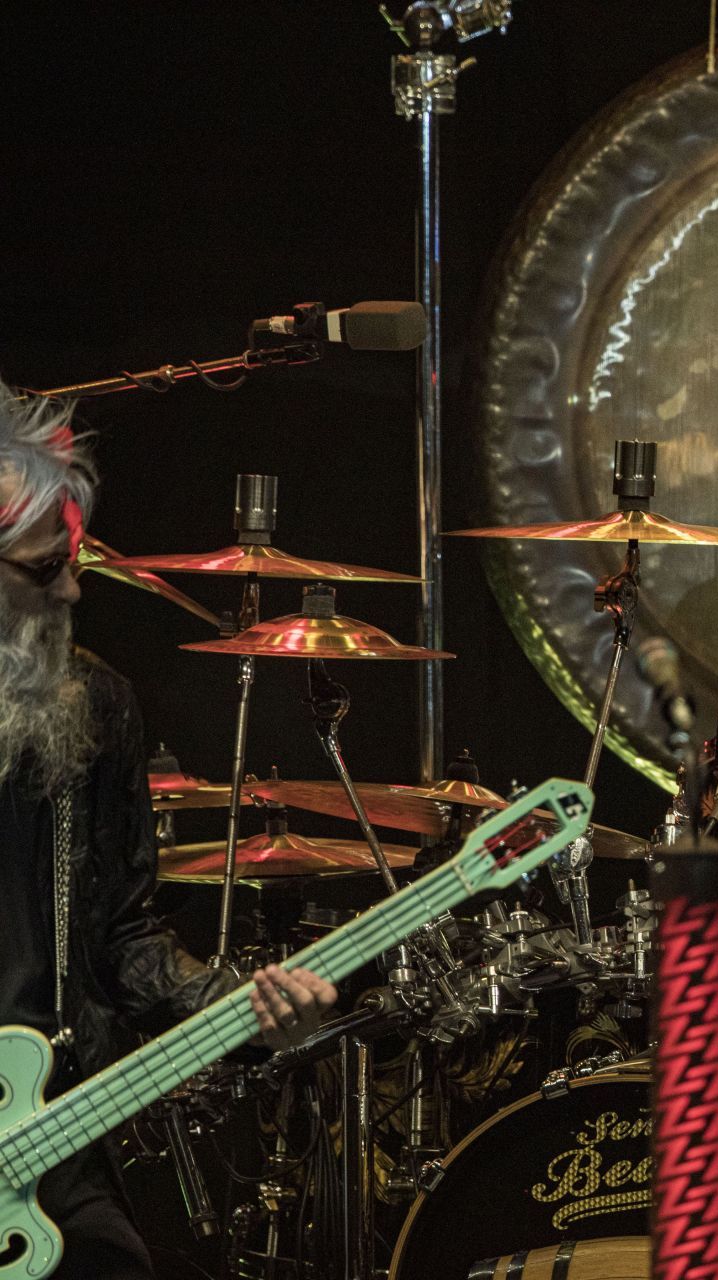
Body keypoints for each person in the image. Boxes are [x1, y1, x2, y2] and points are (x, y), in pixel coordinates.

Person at [0, 385, 336, 1279]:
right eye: (42, 571)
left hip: (42, 1125)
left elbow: (123, 937)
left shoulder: (91, 705)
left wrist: (239, 1006)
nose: (71, 590)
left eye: (72, 562)